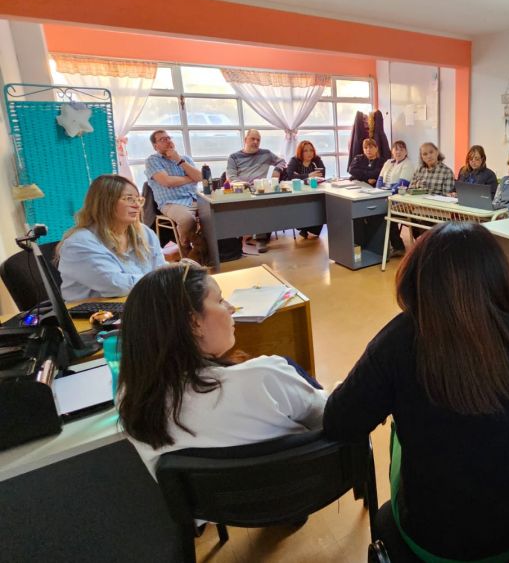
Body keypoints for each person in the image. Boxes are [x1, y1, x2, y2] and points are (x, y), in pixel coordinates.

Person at [323, 222, 509, 561]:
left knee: (388, 507)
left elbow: (340, 422)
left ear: (417, 276)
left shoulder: (401, 338)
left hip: (447, 545)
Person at [118, 264, 327, 475]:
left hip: (213, 506)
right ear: (194, 323)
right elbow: (328, 418)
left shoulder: (130, 402)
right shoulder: (263, 378)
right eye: (219, 300)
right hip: (301, 487)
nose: (232, 308)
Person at [56, 175, 166, 302]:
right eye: (129, 199)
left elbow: (160, 268)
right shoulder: (78, 244)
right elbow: (118, 286)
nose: (137, 205)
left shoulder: (145, 232)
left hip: (138, 306)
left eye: (138, 199)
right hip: (92, 317)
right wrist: (163, 279)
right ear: (105, 202)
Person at [226, 129, 287, 252]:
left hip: (260, 190)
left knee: (266, 203)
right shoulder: (234, 157)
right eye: (252, 139)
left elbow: (282, 161)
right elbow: (231, 177)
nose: (256, 142)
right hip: (241, 190)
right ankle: (235, 238)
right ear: (245, 140)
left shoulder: (266, 154)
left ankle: (261, 239)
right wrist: (243, 184)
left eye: (258, 140)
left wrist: (277, 170)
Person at [145, 130, 202, 256]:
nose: (168, 141)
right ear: (155, 146)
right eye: (162, 139)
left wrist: (179, 160)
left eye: (169, 138)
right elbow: (167, 181)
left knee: (215, 214)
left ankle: (193, 245)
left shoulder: (185, 159)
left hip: (194, 198)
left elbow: (199, 177)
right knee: (187, 220)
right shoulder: (152, 161)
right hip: (171, 202)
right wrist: (189, 178)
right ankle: (195, 247)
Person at [376, 140, 415, 255]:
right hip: (384, 195)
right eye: (396, 149)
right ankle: (380, 245)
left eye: (401, 149)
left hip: (399, 199)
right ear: (392, 151)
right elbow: (379, 179)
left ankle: (398, 246)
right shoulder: (388, 162)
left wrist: (387, 194)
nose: (398, 152)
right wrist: (377, 193)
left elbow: (402, 185)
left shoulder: (408, 164)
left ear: (406, 152)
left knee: (383, 212)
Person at [283, 140, 326, 238]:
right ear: (300, 152)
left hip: (314, 190)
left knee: (321, 204)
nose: (309, 153)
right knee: (303, 205)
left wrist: (300, 176)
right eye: (305, 151)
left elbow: (322, 175)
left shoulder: (317, 160)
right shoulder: (294, 160)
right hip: (298, 192)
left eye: (311, 150)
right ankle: (303, 227)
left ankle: (310, 229)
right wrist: (308, 176)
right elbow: (290, 176)